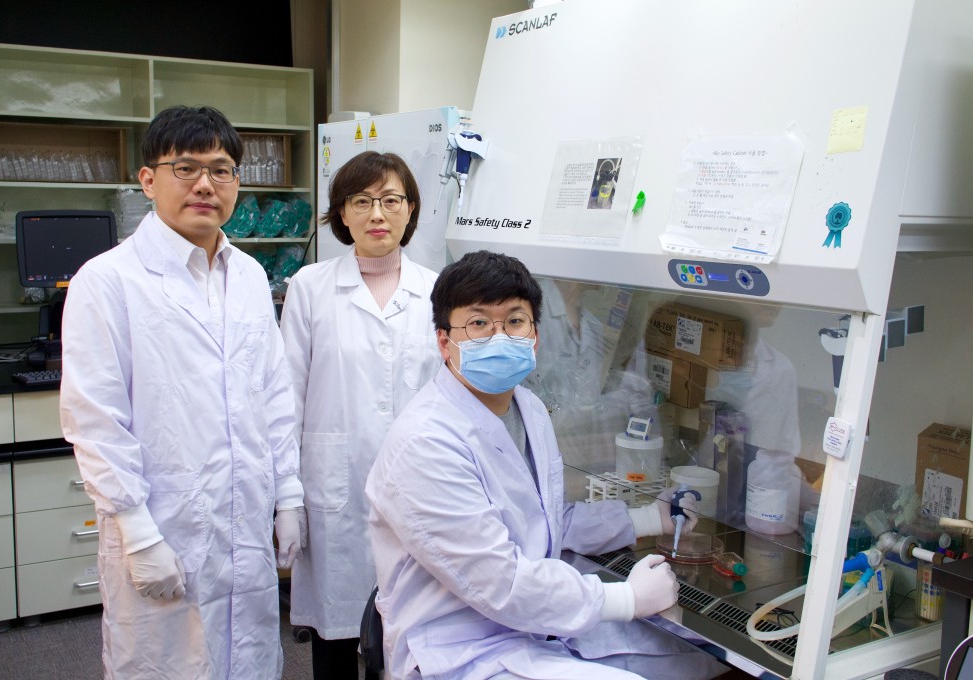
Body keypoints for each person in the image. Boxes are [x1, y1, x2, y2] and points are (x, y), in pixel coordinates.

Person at [365, 250, 728, 679]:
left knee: (696, 660)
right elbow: (499, 582)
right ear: (445, 342)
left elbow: (548, 519)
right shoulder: (426, 443)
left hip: (532, 626)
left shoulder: (528, 409)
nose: (499, 338)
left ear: (534, 336)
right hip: (461, 647)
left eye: (515, 321)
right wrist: (624, 600)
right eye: (479, 323)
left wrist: (650, 517)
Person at [59, 105, 305, 679]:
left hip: (242, 522)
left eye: (221, 170)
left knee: (246, 660)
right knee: (168, 663)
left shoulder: (247, 275)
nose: (204, 185)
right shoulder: (108, 280)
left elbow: (272, 392)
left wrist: (288, 494)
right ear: (148, 180)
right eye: (186, 168)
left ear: (238, 182)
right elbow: (96, 420)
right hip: (162, 521)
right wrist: (138, 532)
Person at [280, 150, 440, 677]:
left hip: (417, 486)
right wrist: (286, 497)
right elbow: (288, 399)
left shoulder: (439, 291)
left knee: (413, 636)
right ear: (341, 214)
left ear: (411, 210)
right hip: (335, 485)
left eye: (391, 200)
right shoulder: (309, 288)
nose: (378, 214)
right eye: (362, 201)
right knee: (336, 633)